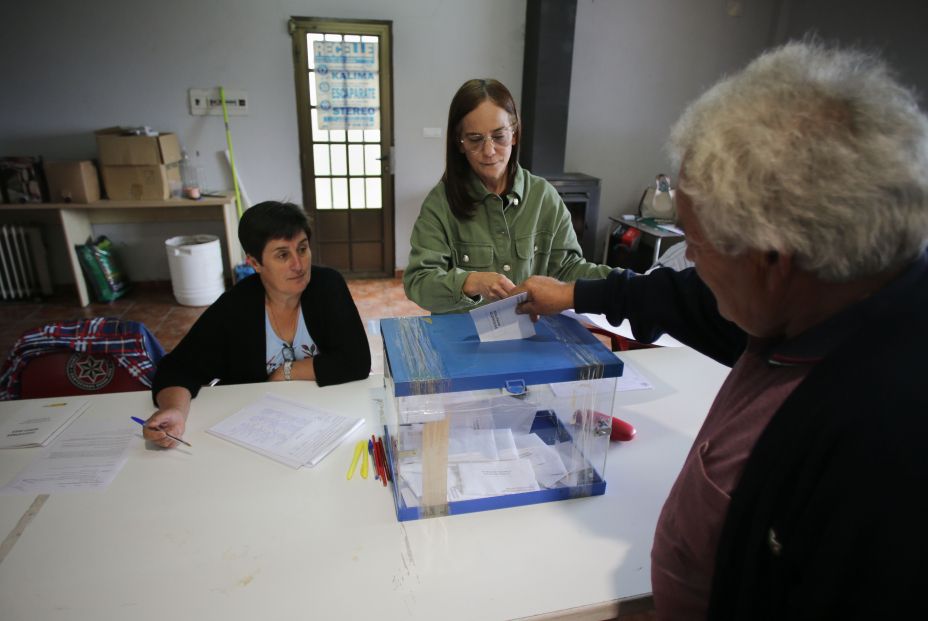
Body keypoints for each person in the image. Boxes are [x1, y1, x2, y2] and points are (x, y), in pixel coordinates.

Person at [514, 41, 928, 620]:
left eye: (696, 245)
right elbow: (687, 299)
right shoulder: (824, 292)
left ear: (772, 258)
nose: (690, 264)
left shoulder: (883, 445)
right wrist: (577, 293)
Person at [144, 201, 371, 448]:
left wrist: (286, 372)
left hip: (325, 426)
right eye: (283, 255)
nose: (298, 264)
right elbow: (178, 369)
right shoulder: (235, 307)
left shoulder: (327, 286)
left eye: (302, 249)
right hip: (255, 436)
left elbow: (357, 361)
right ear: (254, 263)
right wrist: (176, 411)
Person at [403, 78, 612, 314]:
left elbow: (567, 269)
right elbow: (419, 282)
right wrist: (470, 282)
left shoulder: (544, 197)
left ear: (514, 134)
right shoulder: (440, 203)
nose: (489, 151)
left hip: (530, 336)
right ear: (459, 143)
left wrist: (624, 284)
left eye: (499, 136)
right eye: (475, 139)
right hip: (464, 339)